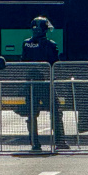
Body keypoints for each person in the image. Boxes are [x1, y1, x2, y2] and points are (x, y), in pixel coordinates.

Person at [21, 16, 67, 151]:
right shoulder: (51, 45)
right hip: (46, 83)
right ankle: (60, 141)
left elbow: (24, 61)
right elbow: (55, 63)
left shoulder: (26, 44)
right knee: (56, 111)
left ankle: (35, 144)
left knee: (32, 113)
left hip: (31, 83)